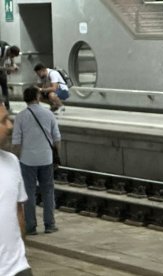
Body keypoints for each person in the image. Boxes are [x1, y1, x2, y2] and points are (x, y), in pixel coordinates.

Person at [12, 86, 61, 235]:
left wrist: (16, 160)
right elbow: (57, 139)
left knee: (29, 193)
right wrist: (56, 155)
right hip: (46, 159)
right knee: (47, 192)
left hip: (27, 161)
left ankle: (31, 227)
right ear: (38, 97)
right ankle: (49, 224)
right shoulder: (48, 114)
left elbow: (16, 142)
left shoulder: (20, 116)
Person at [0, 96, 32, 276]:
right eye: (3, 121)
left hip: (18, 268)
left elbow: (18, 210)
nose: (10, 126)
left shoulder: (12, 162)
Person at [0, 42, 20, 112]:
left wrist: (13, 65)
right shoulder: (0, 50)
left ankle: (7, 108)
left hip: (1, 70)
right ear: (9, 51)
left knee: (5, 89)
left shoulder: (9, 48)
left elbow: (12, 59)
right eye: (12, 56)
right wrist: (8, 69)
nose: (12, 57)